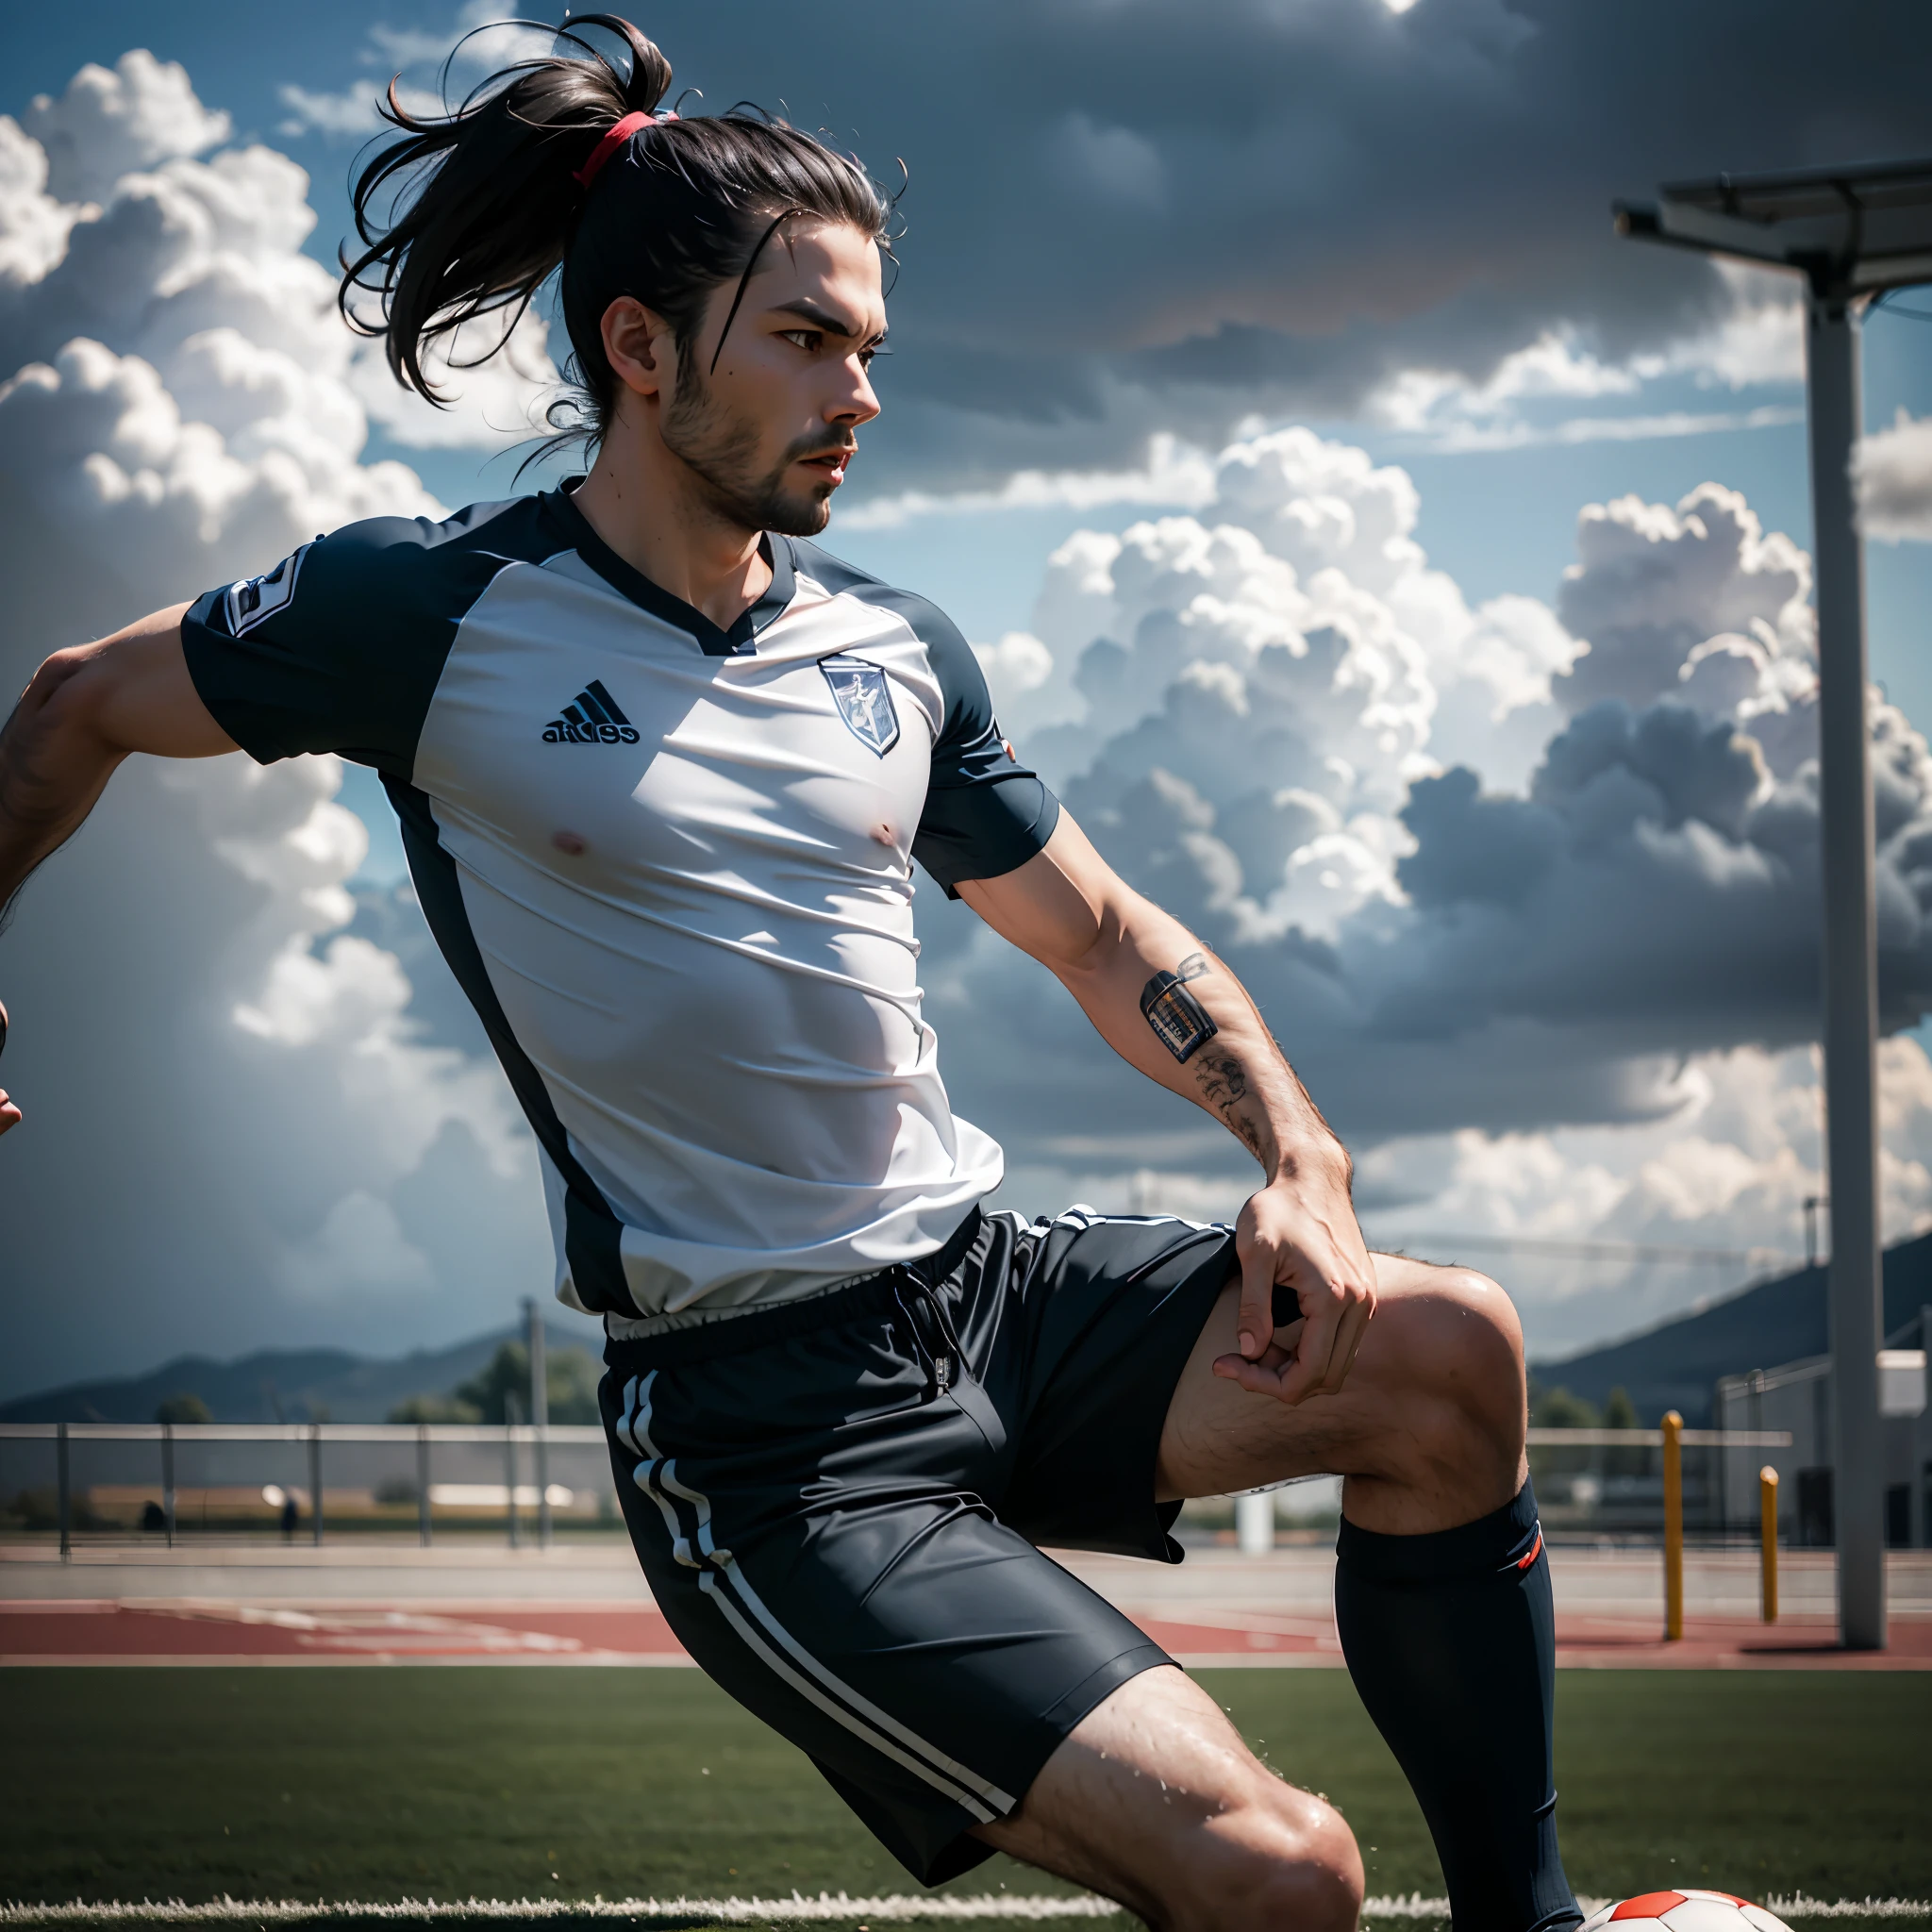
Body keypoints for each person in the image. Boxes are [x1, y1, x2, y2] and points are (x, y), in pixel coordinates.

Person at [0, 20, 1577, 1930]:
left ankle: (1530, 1922)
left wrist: (1302, 1169)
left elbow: (1102, 934)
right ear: (638, 349)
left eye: (872, 350)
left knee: (1446, 1347)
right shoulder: (427, 617)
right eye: (808, 340)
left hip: (988, 1297)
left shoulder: (894, 651)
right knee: (1279, 1875)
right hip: (768, 1432)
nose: (860, 394)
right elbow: (78, 703)